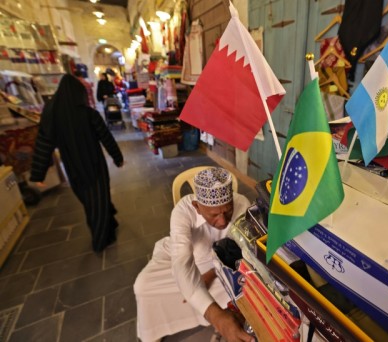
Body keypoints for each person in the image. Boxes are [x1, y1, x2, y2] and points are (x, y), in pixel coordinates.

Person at [134, 167, 254, 342]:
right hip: (178, 256)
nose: (222, 221)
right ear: (197, 207)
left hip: (220, 262)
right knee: (143, 286)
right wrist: (216, 317)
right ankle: (154, 332)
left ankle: (230, 319)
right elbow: (182, 262)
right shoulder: (182, 211)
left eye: (227, 211)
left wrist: (211, 274)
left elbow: (241, 253)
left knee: (244, 285)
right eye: (213, 214)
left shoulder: (242, 204)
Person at [30, 74, 124, 252]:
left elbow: (43, 144)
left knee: (90, 202)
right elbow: (106, 138)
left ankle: (109, 224)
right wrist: (117, 158)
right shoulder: (89, 114)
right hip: (95, 164)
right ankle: (100, 240)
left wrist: (38, 174)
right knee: (99, 199)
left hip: (73, 167)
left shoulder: (51, 115)